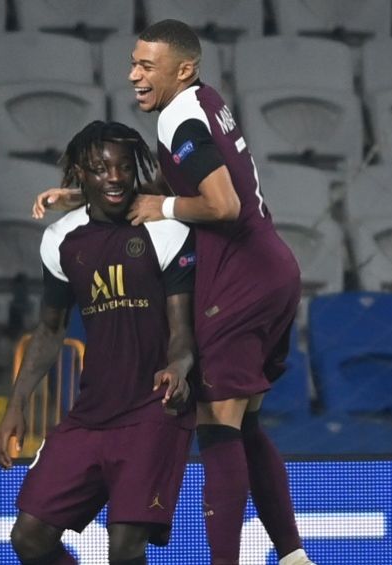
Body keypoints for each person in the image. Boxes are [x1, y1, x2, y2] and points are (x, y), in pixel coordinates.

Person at [32, 20, 316, 565]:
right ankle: (291, 554)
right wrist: (83, 194)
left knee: (217, 423)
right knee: (245, 420)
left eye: (145, 65)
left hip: (241, 277)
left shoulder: (177, 117)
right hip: (271, 270)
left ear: (182, 69)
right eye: (133, 62)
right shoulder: (203, 102)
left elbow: (222, 204)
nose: (133, 74)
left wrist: (158, 208)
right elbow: (188, 185)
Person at [0, 120, 198, 565]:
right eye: (101, 168)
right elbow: (50, 330)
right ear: (80, 174)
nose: (115, 176)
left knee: (124, 552)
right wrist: (16, 405)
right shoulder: (59, 240)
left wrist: (179, 368)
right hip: (91, 413)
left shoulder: (166, 229)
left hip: (153, 410)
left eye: (124, 167)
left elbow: (183, 331)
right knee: (29, 538)